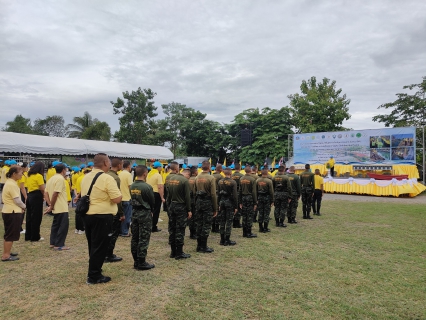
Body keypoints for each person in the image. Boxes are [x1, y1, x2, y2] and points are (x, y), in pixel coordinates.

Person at [80, 153, 122, 284]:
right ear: (105, 163)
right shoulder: (107, 178)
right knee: (100, 246)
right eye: (108, 162)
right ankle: (94, 276)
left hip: (88, 215)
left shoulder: (86, 177)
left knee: (93, 244)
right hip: (102, 216)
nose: (110, 164)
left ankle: (95, 269)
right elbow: (116, 198)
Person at [130, 165, 155, 270]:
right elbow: (152, 201)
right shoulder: (147, 187)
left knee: (135, 237)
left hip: (134, 213)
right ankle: (141, 262)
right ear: (145, 174)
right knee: (144, 237)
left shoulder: (132, 185)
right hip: (144, 213)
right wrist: (152, 210)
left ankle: (136, 260)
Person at [167, 165, 192, 259]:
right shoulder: (185, 181)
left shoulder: (171, 179)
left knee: (172, 229)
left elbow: (168, 195)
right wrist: (189, 210)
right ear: (188, 175)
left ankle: (173, 252)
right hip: (181, 207)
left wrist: (169, 206)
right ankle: (179, 253)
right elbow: (187, 197)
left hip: (172, 205)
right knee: (180, 229)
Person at [2, 165, 25, 261]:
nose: (22, 175)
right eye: (20, 173)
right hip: (12, 212)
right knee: (10, 235)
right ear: (14, 174)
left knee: (8, 234)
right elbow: (17, 200)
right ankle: (6, 256)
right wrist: (24, 206)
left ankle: (6, 252)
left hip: (8, 211)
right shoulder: (12, 184)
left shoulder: (10, 182)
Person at [44, 163, 70, 250]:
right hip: (61, 206)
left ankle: (53, 242)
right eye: (65, 169)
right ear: (63, 170)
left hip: (55, 206)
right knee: (63, 226)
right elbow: (55, 193)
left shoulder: (51, 179)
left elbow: (46, 193)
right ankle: (59, 244)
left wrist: (50, 204)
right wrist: (52, 205)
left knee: (56, 225)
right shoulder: (60, 179)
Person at [194, 160, 217, 253]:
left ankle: (199, 245)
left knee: (199, 223)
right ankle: (203, 246)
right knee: (206, 224)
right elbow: (213, 194)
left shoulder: (197, 177)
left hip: (199, 202)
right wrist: (215, 208)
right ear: (209, 167)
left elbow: (194, 191)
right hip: (207, 202)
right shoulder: (211, 178)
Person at [105, 158, 125, 262]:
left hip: (104, 209)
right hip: (113, 209)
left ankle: (105, 253)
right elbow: (117, 197)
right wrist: (121, 213)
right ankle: (109, 254)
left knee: (106, 233)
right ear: (119, 165)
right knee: (113, 234)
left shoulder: (105, 174)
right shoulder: (115, 178)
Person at [25, 161, 45, 242]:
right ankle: (35, 236)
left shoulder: (29, 175)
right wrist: (44, 195)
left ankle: (28, 235)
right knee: (36, 217)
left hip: (30, 195)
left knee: (29, 216)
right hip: (36, 196)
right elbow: (42, 188)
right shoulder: (39, 176)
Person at [217, 166, 238, 245]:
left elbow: (218, 194)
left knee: (222, 220)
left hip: (221, 202)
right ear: (230, 173)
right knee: (229, 221)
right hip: (229, 202)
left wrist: (218, 203)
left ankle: (222, 239)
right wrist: (235, 206)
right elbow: (235, 195)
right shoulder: (233, 182)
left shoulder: (220, 181)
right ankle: (227, 239)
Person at [239, 166, 257, 238]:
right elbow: (254, 192)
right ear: (250, 171)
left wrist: (240, 201)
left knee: (244, 215)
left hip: (243, 197)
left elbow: (239, 191)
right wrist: (255, 202)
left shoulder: (241, 179)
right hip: (250, 198)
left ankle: (244, 232)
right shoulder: (252, 179)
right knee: (249, 215)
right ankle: (249, 233)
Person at [147, 161, 165, 233]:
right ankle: (153, 227)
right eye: (161, 167)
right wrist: (162, 197)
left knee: (150, 210)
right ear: (158, 167)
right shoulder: (158, 175)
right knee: (156, 211)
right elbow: (160, 187)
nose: (161, 168)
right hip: (156, 194)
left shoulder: (149, 174)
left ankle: (149, 225)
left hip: (149, 193)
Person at [256, 168, 274, 233]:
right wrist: (272, 200)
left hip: (260, 197)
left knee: (260, 212)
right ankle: (265, 228)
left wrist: (256, 199)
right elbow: (271, 192)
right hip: (267, 197)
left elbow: (255, 190)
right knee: (266, 213)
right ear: (267, 173)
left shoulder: (257, 180)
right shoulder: (269, 181)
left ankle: (260, 228)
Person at [119, 160, 133, 237]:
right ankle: (125, 232)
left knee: (121, 216)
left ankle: (121, 231)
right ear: (128, 167)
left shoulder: (119, 174)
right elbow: (130, 186)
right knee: (127, 217)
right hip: (127, 198)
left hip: (120, 198)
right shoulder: (128, 175)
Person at [211, 164, 223, 233]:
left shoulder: (211, 175)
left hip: (212, 195)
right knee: (218, 210)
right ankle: (216, 227)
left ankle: (212, 226)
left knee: (213, 210)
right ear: (220, 169)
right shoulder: (220, 176)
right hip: (218, 195)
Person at [231, 163, 244, 228]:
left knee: (233, 207)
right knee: (238, 207)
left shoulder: (231, 175)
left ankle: (233, 221)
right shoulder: (242, 176)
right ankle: (237, 222)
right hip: (238, 192)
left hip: (232, 193)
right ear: (240, 168)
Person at [17, 162, 28, 234]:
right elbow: (22, 188)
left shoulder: (23, 174)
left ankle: (19, 227)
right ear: (23, 168)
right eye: (26, 167)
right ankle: (19, 228)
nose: (27, 168)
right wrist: (26, 197)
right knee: (22, 209)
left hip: (22, 191)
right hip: (22, 193)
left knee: (22, 210)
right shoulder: (21, 176)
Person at [188, 166, 198, 239]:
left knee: (190, 216)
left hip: (188, 199)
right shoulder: (196, 179)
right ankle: (193, 233)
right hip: (194, 200)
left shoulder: (187, 179)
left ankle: (191, 232)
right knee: (194, 217)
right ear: (195, 172)